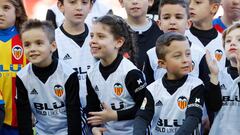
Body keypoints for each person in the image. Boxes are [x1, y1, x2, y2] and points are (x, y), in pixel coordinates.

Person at [86, 14, 153, 135]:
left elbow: (145, 107)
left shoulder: (130, 73)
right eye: (92, 36)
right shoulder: (91, 73)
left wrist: (116, 115)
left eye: (100, 36)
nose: (93, 41)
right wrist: (93, 128)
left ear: (118, 42)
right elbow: (92, 108)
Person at [16, 19, 82, 135]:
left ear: (53, 46)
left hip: (67, 130)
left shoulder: (68, 74)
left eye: (39, 43)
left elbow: (74, 115)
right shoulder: (22, 77)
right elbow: (24, 118)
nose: (32, 49)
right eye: (27, 45)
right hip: (41, 132)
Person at [148, 32, 204, 135]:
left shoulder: (196, 86)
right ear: (162, 63)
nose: (185, 60)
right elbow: (142, 117)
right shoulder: (152, 89)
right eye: (177, 56)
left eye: (188, 54)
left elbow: (193, 116)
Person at [0, 0, 27, 134]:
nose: (0, 13)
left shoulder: (27, 40)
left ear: (17, 11)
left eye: (6, 8)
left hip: (19, 120)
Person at [209, 22, 240, 135]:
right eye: (228, 41)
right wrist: (214, 76)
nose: (232, 43)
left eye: (239, 39)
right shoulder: (218, 75)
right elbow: (213, 106)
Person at [119, 0, 163, 70]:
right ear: (121, 2)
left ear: (150, 1)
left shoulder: (161, 30)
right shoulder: (115, 31)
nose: (134, 2)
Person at [187, 0, 226, 71]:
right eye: (189, 2)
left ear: (214, 8)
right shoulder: (180, 38)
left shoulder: (225, 43)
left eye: (198, 2)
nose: (190, 6)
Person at [46, 0, 112, 29]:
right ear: (61, 6)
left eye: (84, 2)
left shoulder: (105, 10)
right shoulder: (53, 11)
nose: (79, 8)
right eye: (72, 2)